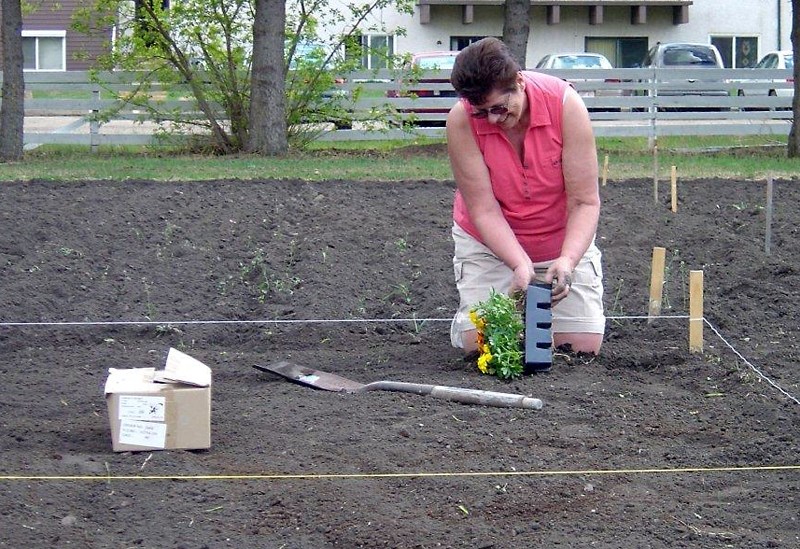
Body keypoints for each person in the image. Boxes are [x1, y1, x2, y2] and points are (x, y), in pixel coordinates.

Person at [446, 37, 605, 356]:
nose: (491, 120)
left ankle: (543, 303)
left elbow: (585, 202)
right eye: (481, 113)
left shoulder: (565, 105)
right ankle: (466, 320)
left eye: (498, 109)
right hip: (489, 245)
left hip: (558, 242)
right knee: (481, 346)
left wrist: (568, 260)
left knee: (581, 347)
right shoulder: (461, 121)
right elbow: (484, 210)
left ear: (519, 82)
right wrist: (519, 264)